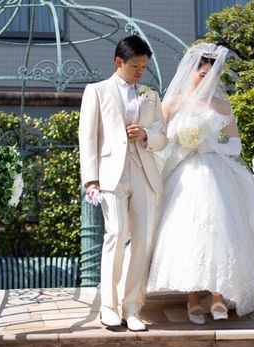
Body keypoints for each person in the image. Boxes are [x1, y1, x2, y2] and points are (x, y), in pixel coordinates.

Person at [146, 43, 254, 324]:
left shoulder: (222, 105)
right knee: (188, 231)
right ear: (192, 71)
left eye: (213, 76)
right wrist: (181, 146)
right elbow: (160, 140)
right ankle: (191, 298)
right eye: (202, 74)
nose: (207, 81)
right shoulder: (172, 103)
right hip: (183, 173)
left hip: (214, 172)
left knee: (218, 229)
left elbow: (235, 145)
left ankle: (217, 295)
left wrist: (211, 146)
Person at [79, 35, 167, 331]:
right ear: (119, 61)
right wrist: (91, 180)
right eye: (135, 65)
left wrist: (145, 134)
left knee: (142, 241)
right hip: (110, 176)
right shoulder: (97, 91)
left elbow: (163, 137)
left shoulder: (151, 95)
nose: (140, 71)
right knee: (116, 234)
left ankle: (132, 308)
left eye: (144, 66)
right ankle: (108, 306)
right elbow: (88, 138)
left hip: (143, 174)